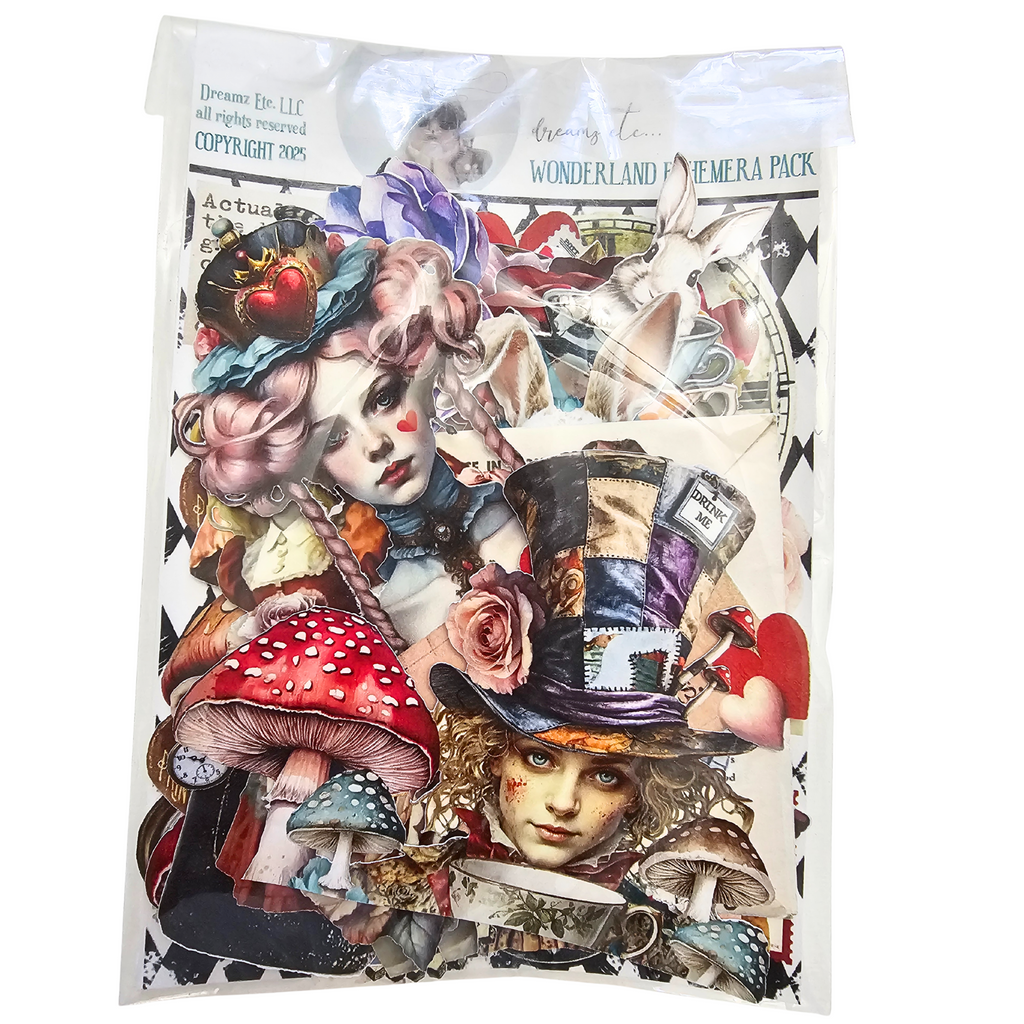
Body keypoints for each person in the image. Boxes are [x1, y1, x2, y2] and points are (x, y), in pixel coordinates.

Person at [174, 221, 527, 648]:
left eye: (384, 399)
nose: (376, 444)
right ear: (313, 470)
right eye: (333, 439)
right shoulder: (391, 616)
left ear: (420, 377)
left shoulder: (536, 512)